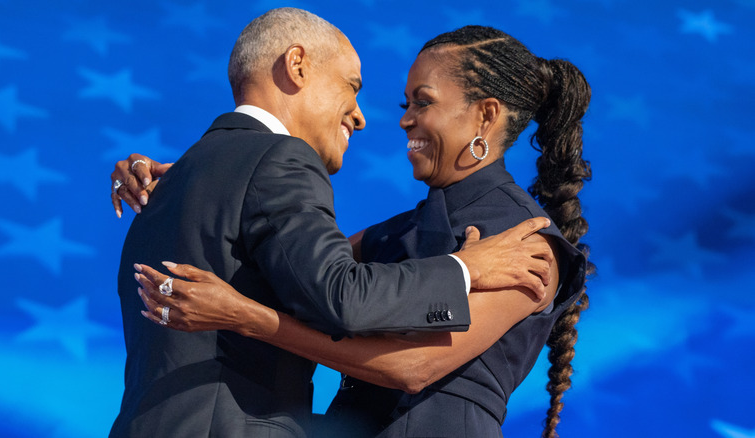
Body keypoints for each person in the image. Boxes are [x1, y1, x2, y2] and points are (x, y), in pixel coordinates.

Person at [125, 25, 592, 438]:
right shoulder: (391, 235)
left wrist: (253, 319)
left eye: (424, 102)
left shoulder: (527, 245)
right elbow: (283, 264)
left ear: (485, 116)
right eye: (406, 104)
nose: (405, 119)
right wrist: (206, 182)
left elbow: (413, 367)